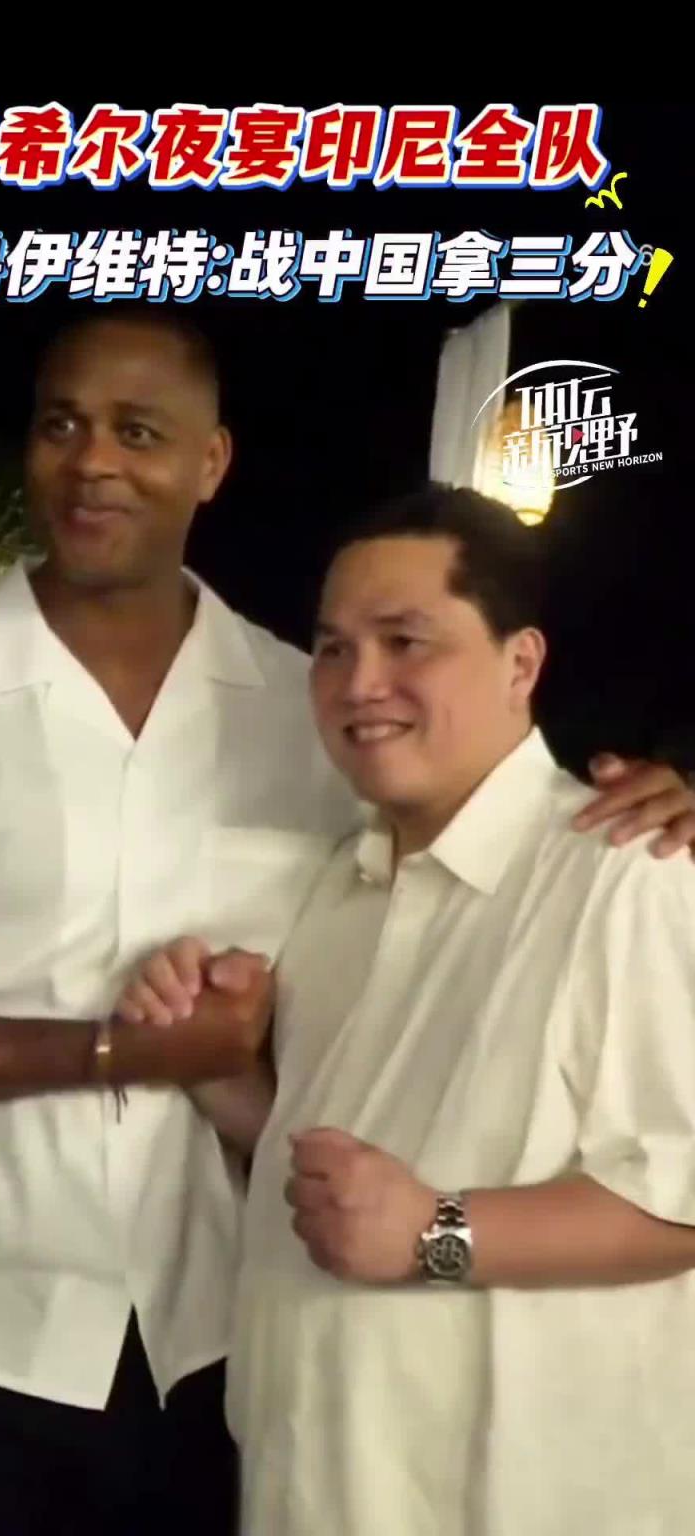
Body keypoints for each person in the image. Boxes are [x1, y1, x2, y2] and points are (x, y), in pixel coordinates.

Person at [0, 319, 690, 1536]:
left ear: (212, 462)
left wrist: (668, 813)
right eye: (61, 424)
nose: (94, 461)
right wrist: (152, 1054)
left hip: (214, 1348)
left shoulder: (326, 724)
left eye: (138, 431)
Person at [120, 486, 695, 1536]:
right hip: (318, 1487)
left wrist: (438, 1234)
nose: (360, 682)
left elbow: (679, 1198)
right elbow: (334, 1171)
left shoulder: (627, 874)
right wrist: (212, 1065)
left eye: (405, 641)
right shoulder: (339, 890)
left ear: (520, 663)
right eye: (333, 648)